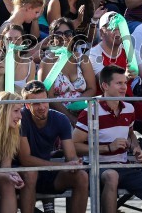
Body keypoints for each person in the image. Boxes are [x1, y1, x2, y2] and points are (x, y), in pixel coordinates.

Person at [72, 65, 142, 213]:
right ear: (105, 86)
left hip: (124, 167)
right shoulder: (90, 110)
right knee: (112, 175)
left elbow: (130, 133)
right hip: (97, 168)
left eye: (125, 83)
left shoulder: (129, 108)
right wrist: (107, 148)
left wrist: (135, 147)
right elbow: (73, 146)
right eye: (119, 83)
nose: (123, 87)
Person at [19, 80, 89, 213]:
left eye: (44, 101)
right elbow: (25, 159)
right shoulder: (20, 118)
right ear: (27, 105)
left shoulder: (60, 118)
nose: (42, 107)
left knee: (82, 176)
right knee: (30, 173)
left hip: (47, 173)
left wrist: (74, 163)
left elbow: (70, 155)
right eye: (36, 103)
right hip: (23, 175)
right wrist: (62, 166)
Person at [38, 18, 96, 126]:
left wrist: (77, 105)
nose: (63, 37)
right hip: (58, 114)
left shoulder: (82, 59)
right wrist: (70, 117)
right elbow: (48, 96)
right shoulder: (46, 62)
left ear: (73, 37)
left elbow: (92, 88)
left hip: (82, 110)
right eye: (58, 34)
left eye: (68, 33)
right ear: (52, 38)